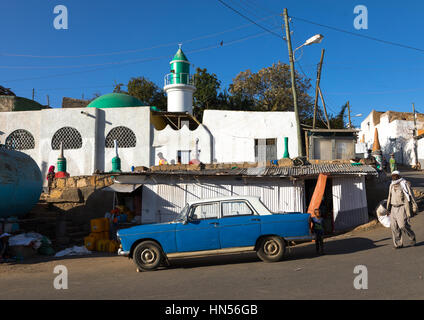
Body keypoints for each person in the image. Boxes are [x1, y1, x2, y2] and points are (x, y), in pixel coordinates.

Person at [386, 170, 417, 249]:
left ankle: (412, 236)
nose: (394, 177)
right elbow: (389, 197)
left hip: (402, 207)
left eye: (395, 175)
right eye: (393, 175)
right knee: (394, 227)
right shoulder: (391, 185)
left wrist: (414, 207)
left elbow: (411, 196)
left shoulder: (404, 184)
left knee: (402, 225)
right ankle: (398, 244)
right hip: (393, 208)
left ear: (399, 176)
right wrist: (388, 209)